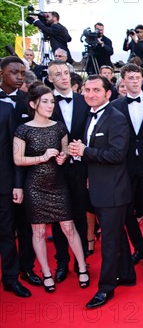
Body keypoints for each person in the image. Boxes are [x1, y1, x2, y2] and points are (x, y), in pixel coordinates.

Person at [68, 75, 136, 309]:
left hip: (113, 189)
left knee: (109, 240)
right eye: (87, 89)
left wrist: (85, 151)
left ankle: (106, 289)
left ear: (108, 94)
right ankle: (127, 274)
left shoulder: (116, 118)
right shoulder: (91, 115)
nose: (90, 94)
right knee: (116, 234)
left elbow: (117, 155)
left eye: (96, 90)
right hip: (98, 186)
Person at [13, 85, 89, 292]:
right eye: (45, 101)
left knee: (68, 227)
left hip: (58, 184)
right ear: (33, 104)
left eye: (51, 102)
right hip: (34, 187)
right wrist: (43, 157)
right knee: (37, 231)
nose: (49, 105)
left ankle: (82, 267)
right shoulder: (23, 129)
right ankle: (46, 272)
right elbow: (18, 159)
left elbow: (65, 151)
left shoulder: (59, 127)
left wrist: (63, 156)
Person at [111, 63, 143, 275]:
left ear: (142, 79)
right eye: (130, 77)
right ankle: (139, 248)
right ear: (123, 80)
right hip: (124, 167)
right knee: (127, 211)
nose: (134, 81)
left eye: (137, 77)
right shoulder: (115, 106)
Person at [47, 60, 93, 282]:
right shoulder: (45, 103)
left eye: (66, 72)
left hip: (80, 168)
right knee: (58, 217)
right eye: (58, 74)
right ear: (50, 79)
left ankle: (81, 261)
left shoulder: (84, 102)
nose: (64, 77)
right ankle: (62, 262)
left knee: (80, 217)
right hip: (54, 169)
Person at [0, 56, 41, 287]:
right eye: (14, 72)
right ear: (1, 73)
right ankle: (10, 276)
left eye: (23, 73)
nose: (19, 77)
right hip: (5, 177)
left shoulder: (30, 101)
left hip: (30, 174)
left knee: (28, 226)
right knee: (6, 229)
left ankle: (27, 268)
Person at [0, 100, 31, 297]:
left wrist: (18, 184)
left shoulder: (6, 109)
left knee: (6, 232)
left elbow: (15, 151)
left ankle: (11, 279)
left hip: (3, 183)